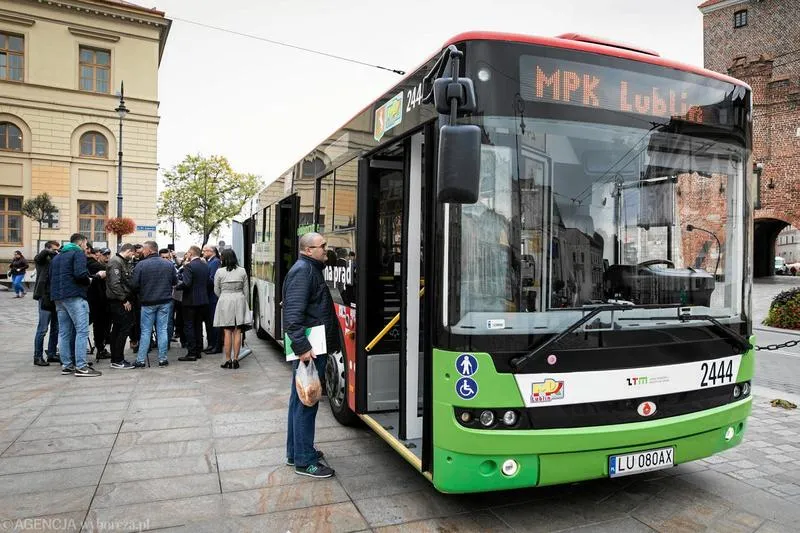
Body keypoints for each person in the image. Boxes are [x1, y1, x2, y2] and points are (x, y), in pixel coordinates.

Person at [283, 232, 339, 479]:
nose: (326, 249)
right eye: (322, 246)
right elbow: (293, 317)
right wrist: (303, 348)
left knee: (300, 400)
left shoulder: (309, 269)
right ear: (308, 250)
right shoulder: (303, 272)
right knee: (308, 402)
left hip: (312, 347)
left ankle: (296, 453)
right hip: (309, 349)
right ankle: (304, 462)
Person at [49, 233, 104, 376]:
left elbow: (50, 278)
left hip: (58, 297)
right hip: (74, 296)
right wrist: (95, 278)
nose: (87, 248)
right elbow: (81, 275)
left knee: (64, 333)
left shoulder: (57, 257)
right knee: (82, 331)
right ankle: (81, 366)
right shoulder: (77, 253)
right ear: (81, 243)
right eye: (86, 245)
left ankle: (67, 365)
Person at [131, 241, 177, 367]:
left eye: (144, 250)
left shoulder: (141, 265)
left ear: (149, 250)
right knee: (162, 330)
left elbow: (134, 285)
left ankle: (141, 360)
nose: (143, 252)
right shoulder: (168, 264)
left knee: (145, 331)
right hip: (164, 301)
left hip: (147, 302)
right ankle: (163, 359)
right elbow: (175, 281)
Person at [213, 249, 249, 369]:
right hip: (239, 299)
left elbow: (216, 290)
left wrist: (224, 296)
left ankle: (228, 359)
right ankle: (236, 359)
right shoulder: (242, 271)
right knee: (238, 331)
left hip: (225, 300)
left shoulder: (219, 272)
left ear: (223, 258)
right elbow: (246, 291)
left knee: (227, 331)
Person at [176, 245, 209, 362]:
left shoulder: (189, 266)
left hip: (190, 301)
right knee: (198, 325)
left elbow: (186, 283)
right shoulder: (205, 266)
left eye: (188, 253)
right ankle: (198, 350)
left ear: (191, 253)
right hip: (202, 300)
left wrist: (176, 286)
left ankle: (192, 352)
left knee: (189, 326)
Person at [105, 243, 136, 369]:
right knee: (122, 330)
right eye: (132, 253)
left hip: (120, 300)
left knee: (118, 330)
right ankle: (118, 359)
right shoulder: (116, 262)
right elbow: (115, 284)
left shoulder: (121, 261)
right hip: (118, 301)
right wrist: (124, 300)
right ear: (128, 251)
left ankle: (117, 358)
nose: (133, 256)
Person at [32, 241, 60, 366]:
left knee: (56, 328)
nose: (56, 251)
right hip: (44, 296)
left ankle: (52, 354)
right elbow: (38, 257)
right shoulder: (42, 260)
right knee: (42, 329)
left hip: (55, 297)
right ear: (48, 249)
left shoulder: (56, 259)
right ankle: (37, 356)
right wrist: (49, 251)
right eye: (54, 249)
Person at [87, 247, 111, 359]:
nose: (106, 256)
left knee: (98, 326)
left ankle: (100, 346)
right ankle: (100, 348)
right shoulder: (95, 265)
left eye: (108, 254)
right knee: (99, 326)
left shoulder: (92, 264)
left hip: (96, 300)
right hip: (96, 301)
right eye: (102, 254)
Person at [202, 245, 222, 354]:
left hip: (213, 297)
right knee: (209, 322)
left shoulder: (215, 262)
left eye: (205, 251)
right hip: (209, 297)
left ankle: (215, 345)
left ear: (211, 251)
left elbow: (212, 280)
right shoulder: (210, 261)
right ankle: (211, 344)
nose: (203, 252)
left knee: (214, 323)